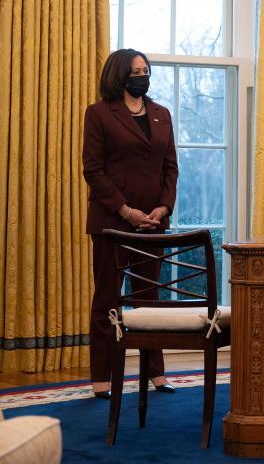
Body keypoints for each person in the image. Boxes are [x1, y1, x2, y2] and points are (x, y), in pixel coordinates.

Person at [82, 49, 179, 399]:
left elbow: (171, 168)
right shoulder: (98, 114)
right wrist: (125, 211)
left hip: (153, 224)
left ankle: (157, 374)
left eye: (146, 69)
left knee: (149, 300)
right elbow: (92, 170)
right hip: (112, 223)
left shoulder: (161, 114)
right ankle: (101, 378)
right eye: (136, 70)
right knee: (108, 299)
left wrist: (163, 207)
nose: (143, 75)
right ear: (120, 75)